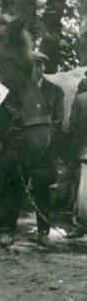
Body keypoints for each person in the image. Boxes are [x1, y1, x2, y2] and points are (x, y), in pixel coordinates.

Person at [0, 50, 63, 247]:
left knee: (42, 192)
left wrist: (42, 140)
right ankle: (8, 231)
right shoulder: (10, 87)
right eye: (30, 65)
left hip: (43, 152)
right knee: (13, 189)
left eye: (39, 65)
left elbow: (57, 123)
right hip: (18, 150)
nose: (35, 69)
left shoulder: (55, 91)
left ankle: (43, 233)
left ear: (44, 67)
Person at [66, 76, 87, 238]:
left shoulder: (80, 99)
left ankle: (81, 224)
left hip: (83, 151)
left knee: (83, 191)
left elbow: (72, 126)